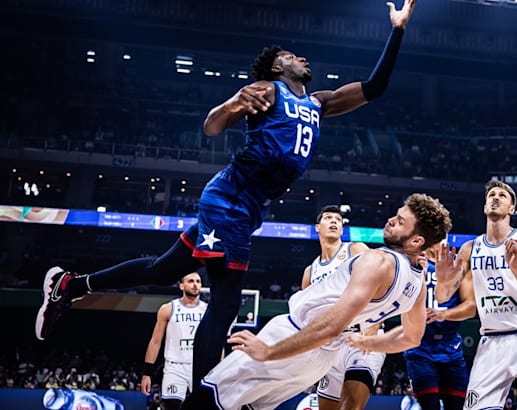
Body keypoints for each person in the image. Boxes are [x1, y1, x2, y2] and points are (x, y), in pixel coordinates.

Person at [34, 0, 417, 390]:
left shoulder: (318, 102)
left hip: (246, 209)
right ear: (276, 67)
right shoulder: (267, 89)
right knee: (227, 301)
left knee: (161, 271)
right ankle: (205, 397)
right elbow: (212, 127)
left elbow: (375, 87)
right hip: (228, 200)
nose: (300, 57)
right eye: (289, 55)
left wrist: (398, 29)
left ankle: (71, 286)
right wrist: (232, 104)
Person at [180, 193, 452, 410]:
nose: (392, 220)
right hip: (319, 360)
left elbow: (331, 325)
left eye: (400, 222)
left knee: (205, 398)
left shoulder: (377, 260)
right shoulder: (417, 281)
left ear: (417, 240)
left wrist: (269, 351)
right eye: (396, 215)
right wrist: (369, 342)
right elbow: (412, 337)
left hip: (298, 334)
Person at [435, 180, 517, 410]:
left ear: (511, 209)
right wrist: (442, 280)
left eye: (502, 195)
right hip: (491, 340)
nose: (495, 198)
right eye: (491, 195)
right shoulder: (470, 248)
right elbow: (443, 296)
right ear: (484, 206)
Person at [301, 205, 382, 410]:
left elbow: (380, 280)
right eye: (328, 218)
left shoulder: (354, 249)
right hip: (330, 345)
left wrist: (374, 323)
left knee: (352, 404)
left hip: (362, 338)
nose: (335, 221)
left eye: (338, 219)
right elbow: (306, 315)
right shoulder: (310, 272)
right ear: (317, 227)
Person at [403, 242, 475, 410]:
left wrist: (444, 314)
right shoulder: (410, 263)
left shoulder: (459, 265)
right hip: (419, 349)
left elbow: (471, 308)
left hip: (451, 348)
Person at [139, 272, 207, 410]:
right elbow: (155, 341)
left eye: (198, 281)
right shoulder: (168, 309)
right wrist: (147, 373)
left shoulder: (207, 309)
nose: (195, 284)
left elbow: (216, 342)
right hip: (175, 367)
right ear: (181, 286)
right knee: (172, 406)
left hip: (200, 367)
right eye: (191, 281)